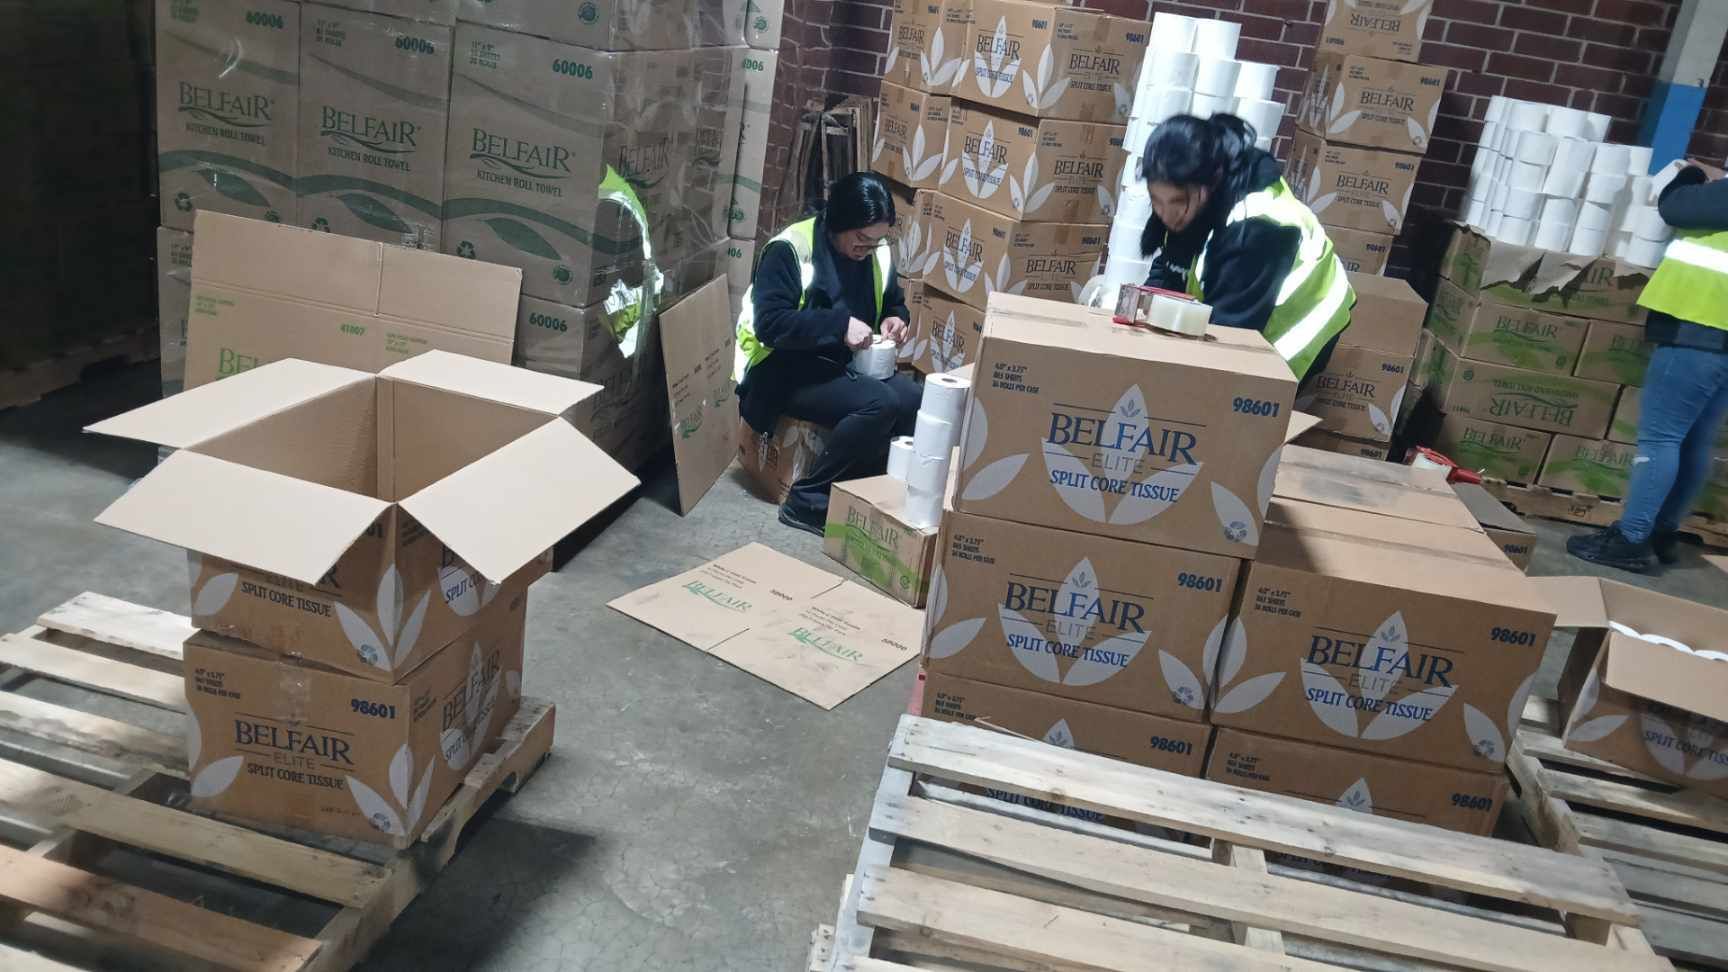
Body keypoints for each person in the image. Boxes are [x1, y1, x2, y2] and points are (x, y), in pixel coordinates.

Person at [735, 172, 917, 535]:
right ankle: (808, 501)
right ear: (838, 222)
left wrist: (897, 318)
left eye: (876, 241)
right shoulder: (790, 250)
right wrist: (838, 326)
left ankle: (864, 490)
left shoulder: (876, 255)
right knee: (878, 403)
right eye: (861, 239)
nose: (867, 249)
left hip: (841, 365)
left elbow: (894, 300)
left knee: (916, 400)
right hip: (782, 370)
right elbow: (771, 324)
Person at [1568, 164, 1728, 572]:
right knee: (1695, 439)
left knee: (1661, 439)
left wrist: (1691, 172)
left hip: (1698, 326)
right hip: (1719, 338)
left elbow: (1675, 206)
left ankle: (1632, 538)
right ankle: (1662, 531)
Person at [1135, 114, 1354, 382]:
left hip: (1295, 327)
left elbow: (1231, 338)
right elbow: (1171, 266)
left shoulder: (1259, 225)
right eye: (1156, 200)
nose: (1166, 214)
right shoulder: (1189, 197)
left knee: (1230, 400)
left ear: (1207, 186)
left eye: (1176, 202)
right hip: (1237, 303)